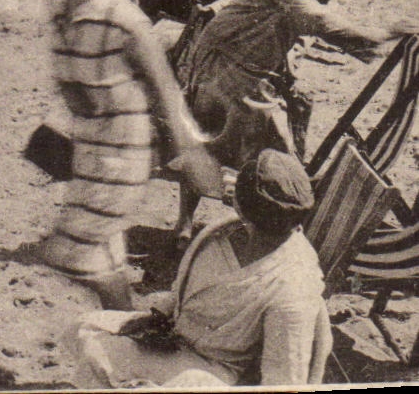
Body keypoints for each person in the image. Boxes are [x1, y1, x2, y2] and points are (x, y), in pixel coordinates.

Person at [34, 0, 221, 310]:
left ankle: (134, 324)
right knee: (102, 258)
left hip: (122, 152)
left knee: (76, 255)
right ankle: (135, 331)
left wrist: (193, 151)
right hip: (90, 148)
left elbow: (165, 87)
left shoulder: (122, 18)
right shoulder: (61, 15)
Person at [184, 0, 412, 176]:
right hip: (231, 63)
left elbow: (320, 12)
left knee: (249, 139)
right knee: (240, 147)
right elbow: (319, 21)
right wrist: (382, 35)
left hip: (253, 59)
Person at [69, 150, 330, 388]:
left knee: (97, 356)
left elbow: (285, 382)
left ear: (242, 207)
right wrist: (159, 314)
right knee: (83, 328)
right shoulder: (224, 230)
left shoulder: (292, 287)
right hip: (175, 338)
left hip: (212, 371)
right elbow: (184, 287)